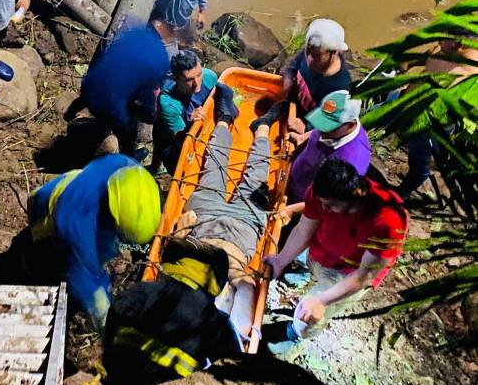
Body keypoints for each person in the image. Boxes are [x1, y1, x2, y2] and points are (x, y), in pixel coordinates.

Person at [173, 89, 288, 337]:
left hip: (203, 219)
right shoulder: (234, 290)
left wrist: (181, 231)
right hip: (241, 226)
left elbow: (172, 253)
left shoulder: (178, 288)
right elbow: (245, 305)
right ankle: (263, 127)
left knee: (213, 165)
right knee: (257, 179)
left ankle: (225, 118)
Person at [265, 159, 408, 342]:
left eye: (330, 205)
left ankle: (295, 334)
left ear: (355, 194)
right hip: (322, 251)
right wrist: (280, 260)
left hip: (348, 273)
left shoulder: (389, 221)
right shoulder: (321, 192)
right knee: (310, 277)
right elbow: (304, 229)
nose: (324, 208)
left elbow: (364, 275)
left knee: (310, 316)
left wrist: (321, 301)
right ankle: (306, 279)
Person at [27, 154, 162, 330]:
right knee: (53, 266)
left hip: (72, 183)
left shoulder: (130, 175)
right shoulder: (76, 224)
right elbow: (91, 290)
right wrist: (111, 333)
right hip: (46, 216)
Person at [103, 238, 241, 385]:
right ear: (217, 283)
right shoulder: (217, 325)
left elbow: (108, 340)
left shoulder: (134, 293)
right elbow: (233, 376)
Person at [395, 30, 478, 197]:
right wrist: (407, 63)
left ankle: (402, 194)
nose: (438, 41)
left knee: (420, 161)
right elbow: (427, 56)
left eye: (443, 39)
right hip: (407, 101)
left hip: (430, 124)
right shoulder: (443, 50)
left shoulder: (470, 71)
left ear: (459, 44)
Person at [75, 25, 170, 155]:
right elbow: (148, 101)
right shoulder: (154, 66)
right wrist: (152, 113)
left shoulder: (128, 41)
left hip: (90, 90)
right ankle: (128, 156)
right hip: (111, 107)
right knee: (131, 125)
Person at [285, 90, 371, 206]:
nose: (321, 129)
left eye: (328, 126)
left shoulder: (353, 162)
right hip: (293, 178)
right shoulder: (331, 130)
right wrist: (301, 138)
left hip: (303, 203)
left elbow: (332, 202)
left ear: (350, 124)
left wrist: (294, 209)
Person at [153, 49, 233, 172]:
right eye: (189, 80)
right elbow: (180, 141)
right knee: (178, 169)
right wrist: (191, 123)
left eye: (199, 74)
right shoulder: (168, 102)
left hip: (192, 126)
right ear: (175, 78)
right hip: (172, 138)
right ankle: (156, 168)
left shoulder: (209, 76)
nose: (197, 83)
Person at [282, 19, 352, 145]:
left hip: (304, 131)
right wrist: (288, 81)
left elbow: (329, 126)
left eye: (316, 56)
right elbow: (292, 67)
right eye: (308, 52)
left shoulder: (339, 88)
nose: (308, 59)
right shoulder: (310, 53)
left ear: (335, 52)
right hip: (291, 108)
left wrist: (306, 128)